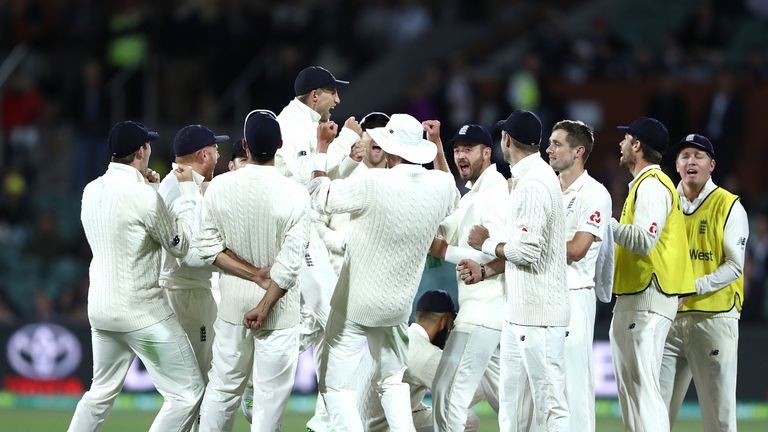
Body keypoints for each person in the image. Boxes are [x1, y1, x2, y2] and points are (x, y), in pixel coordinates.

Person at [309, 113, 458, 431]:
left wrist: (322, 148)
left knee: (335, 386)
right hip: (397, 307)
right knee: (392, 382)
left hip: (354, 305)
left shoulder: (372, 181)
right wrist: (438, 148)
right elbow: (454, 201)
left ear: (390, 149)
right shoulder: (441, 185)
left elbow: (319, 197)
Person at [68, 121, 205, 431]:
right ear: (142, 150)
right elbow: (181, 245)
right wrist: (185, 194)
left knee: (100, 393)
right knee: (187, 394)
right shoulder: (142, 196)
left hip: (101, 311)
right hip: (142, 313)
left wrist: (152, 191)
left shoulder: (91, 190)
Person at [196, 110, 309, 431]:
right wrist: (264, 304)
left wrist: (249, 274)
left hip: (232, 309)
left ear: (244, 145)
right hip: (280, 314)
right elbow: (289, 266)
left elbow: (207, 249)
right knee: (268, 403)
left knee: (222, 390)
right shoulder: (295, 193)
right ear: (280, 145)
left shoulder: (219, 187)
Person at [462, 109, 569, 431]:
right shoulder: (528, 179)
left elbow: (528, 251)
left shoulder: (534, 183)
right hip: (520, 312)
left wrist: (486, 244)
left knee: (551, 405)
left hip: (540, 315)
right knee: (513, 408)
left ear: (506, 140)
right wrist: (489, 270)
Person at [276, 66, 363, 431]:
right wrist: (340, 142)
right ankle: (253, 373)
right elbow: (303, 179)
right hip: (296, 227)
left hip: (303, 225)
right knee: (333, 316)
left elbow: (324, 174)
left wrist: (350, 157)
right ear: (315, 96)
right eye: (332, 93)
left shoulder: (306, 122)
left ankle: (327, 415)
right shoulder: (293, 124)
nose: (337, 100)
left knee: (320, 321)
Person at [610, 117, 696, 432]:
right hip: (637, 296)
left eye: (626, 138)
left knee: (644, 390)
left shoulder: (652, 185)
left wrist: (603, 225)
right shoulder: (645, 185)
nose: (620, 144)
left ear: (637, 146)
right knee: (634, 392)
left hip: (648, 297)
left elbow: (645, 240)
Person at [660, 134, 749, 432]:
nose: (691, 161)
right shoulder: (665, 204)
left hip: (714, 318)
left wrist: (691, 287)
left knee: (719, 419)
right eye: (684, 156)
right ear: (676, 165)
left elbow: (735, 267)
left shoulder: (729, 205)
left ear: (711, 165)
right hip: (669, 321)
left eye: (698, 156)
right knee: (653, 414)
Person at [425, 121, 505, 431]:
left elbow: (499, 253)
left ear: (487, 152)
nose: (461, 156)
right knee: (509, 400)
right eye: (457, 150)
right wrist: (436, 147)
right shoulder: (476, 192)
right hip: (481, 308)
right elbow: (452, 205)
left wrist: (443, 250)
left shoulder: (495, 192)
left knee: (449, 393)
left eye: (467, 150)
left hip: (485, 308)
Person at [157, 124, 228, 431]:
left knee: (195, 388)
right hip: (186, 293)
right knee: (193, 388)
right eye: (216, 149)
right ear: (204, 154)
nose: (219, 154)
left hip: (190, 291)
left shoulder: (186, 183)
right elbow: (190, 249)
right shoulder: (180, 187)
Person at [545, 120, 612, 432]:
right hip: (541, 296)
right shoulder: (546, 190)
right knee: (545, 390)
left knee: (574, 388)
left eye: (557, 144)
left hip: (574, 296)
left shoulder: (594, 193)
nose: (549, 149)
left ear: (579, 151)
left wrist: (530, 245)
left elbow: (576, 249)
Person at [357, 290, 481, 432]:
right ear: (444, 322)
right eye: (451, 326)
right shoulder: (422, 351)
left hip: (365, 421)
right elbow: (465, 395)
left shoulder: (400, 337)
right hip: (382, 427)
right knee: (465, 420)